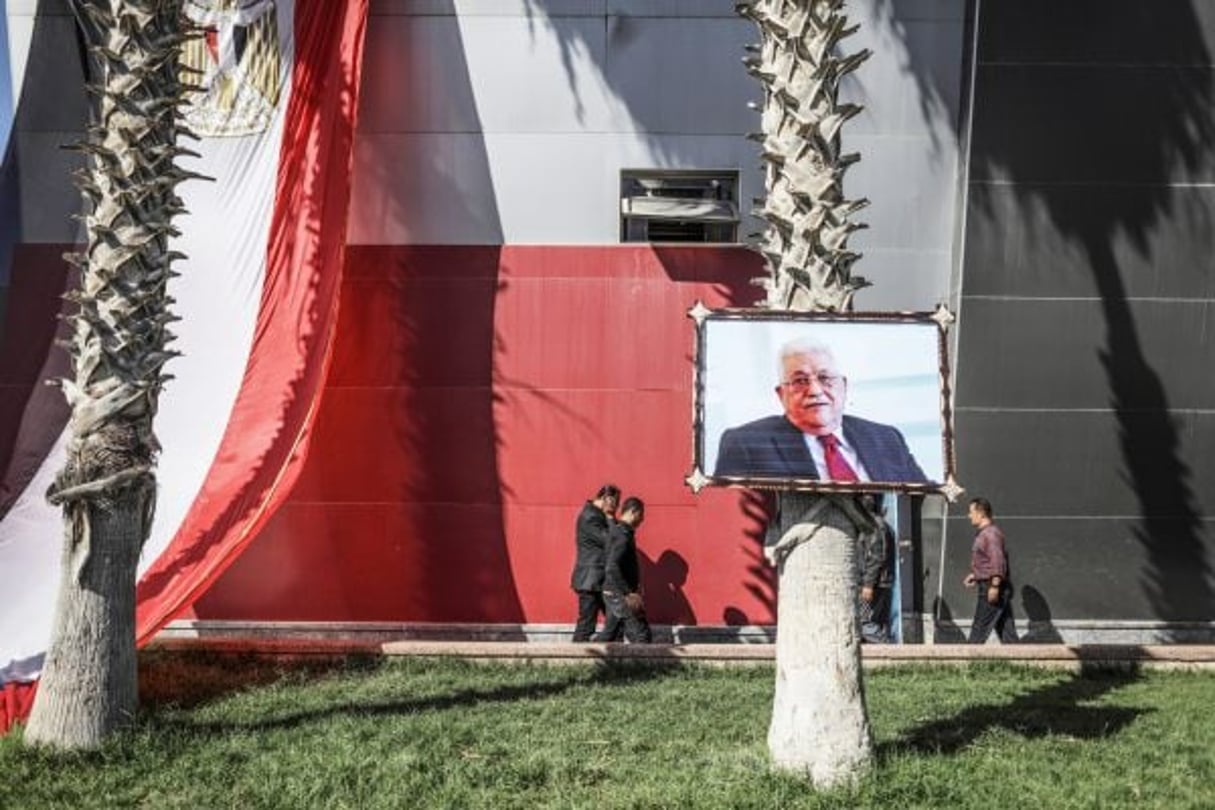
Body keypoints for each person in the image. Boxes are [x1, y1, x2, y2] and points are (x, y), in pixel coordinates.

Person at [713, 338, 930, 483]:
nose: (815, 390)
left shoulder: (885, 438)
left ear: (843, 386)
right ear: (781, 394)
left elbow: (923, 500)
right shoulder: (747, 444)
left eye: (825, 378)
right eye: (799, 381)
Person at [596, 496, 652, 644]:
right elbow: (612, 566)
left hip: (613, 592)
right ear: (633, 512)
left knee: (610, 635)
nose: (642, 519)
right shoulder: (623, 536)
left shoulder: (618, 531)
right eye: (641, 514)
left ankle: (587, 661)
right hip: (620, 595)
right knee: (641, 635)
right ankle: (643, 667)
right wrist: (628, 593)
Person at [963, 496, 1017, 644]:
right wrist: (975, 574)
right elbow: (988, 561)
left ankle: (968, 662)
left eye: (971, 512)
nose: (969, 516)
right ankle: (1020, 662)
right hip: (990, 584)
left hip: (991, 587)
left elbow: (997, 560)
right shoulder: (984, 533)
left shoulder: (991, 534)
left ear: (981, 514)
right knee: (1007, 632)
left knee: (979, 629)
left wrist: (994, 585)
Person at [569, 484, 619, 642]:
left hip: (596, 580)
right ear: (607, 499)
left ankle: (613, 659)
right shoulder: (591, 516)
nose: (616, 507)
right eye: (615, 502)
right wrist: (611, 517)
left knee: (616, 623)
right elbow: (611, 541)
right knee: (586, 626)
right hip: (590, 581)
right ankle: (575, 662)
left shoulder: (595, 514)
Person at [858, 495, 896, 643]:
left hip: (875, 583)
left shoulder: (874, 526)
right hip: (877, 581)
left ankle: (888, 647)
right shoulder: (877, 525)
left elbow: (876, 556)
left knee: (862, 621)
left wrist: (868, 584)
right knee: (871, 620)